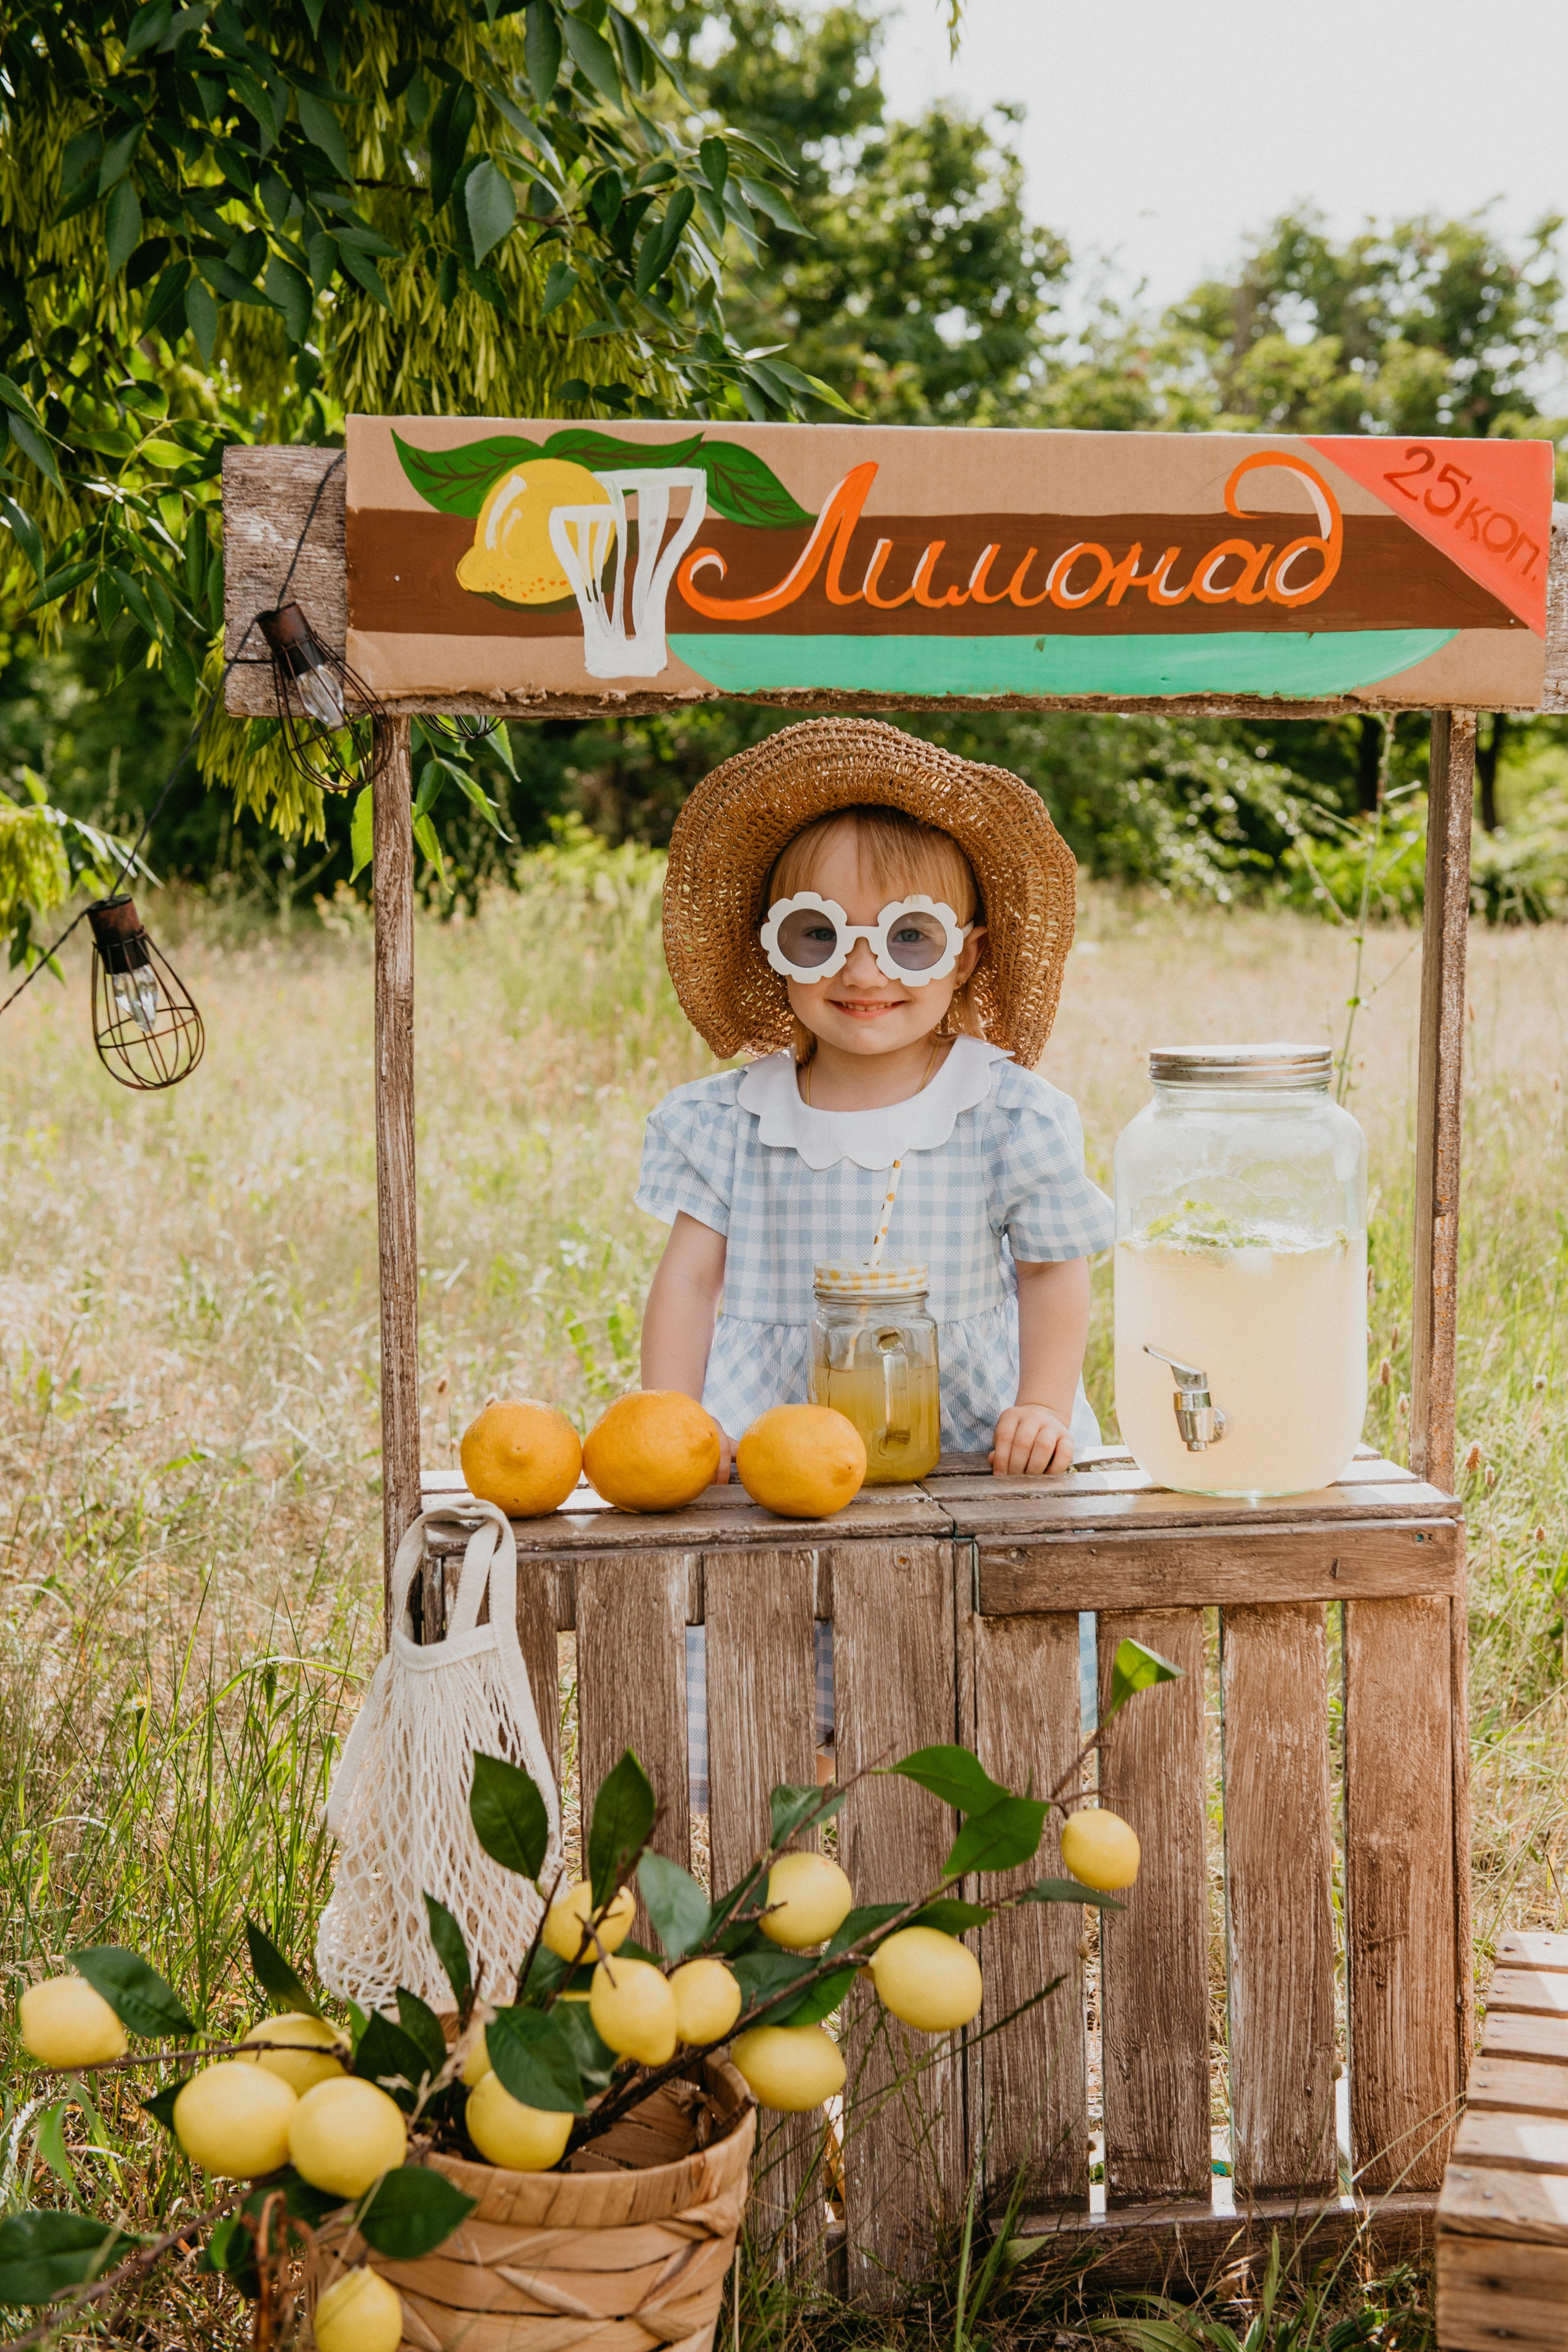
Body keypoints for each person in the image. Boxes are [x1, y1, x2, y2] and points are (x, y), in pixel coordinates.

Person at [633, 717, 1114, 1806]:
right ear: (771, 944)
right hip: (773, 1444)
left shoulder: (1006, 1110)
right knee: (766, 1635)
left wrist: (1043, 1401)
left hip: (969, 1438)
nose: (862, 971)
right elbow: (692, 1279)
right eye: (817, 936)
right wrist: (672, 1415)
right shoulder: (728, 1119)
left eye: (909, 940)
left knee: (990, 1646)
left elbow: (1053, 1265)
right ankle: (787, 1811)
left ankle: (977, 1801)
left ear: (969, 955)